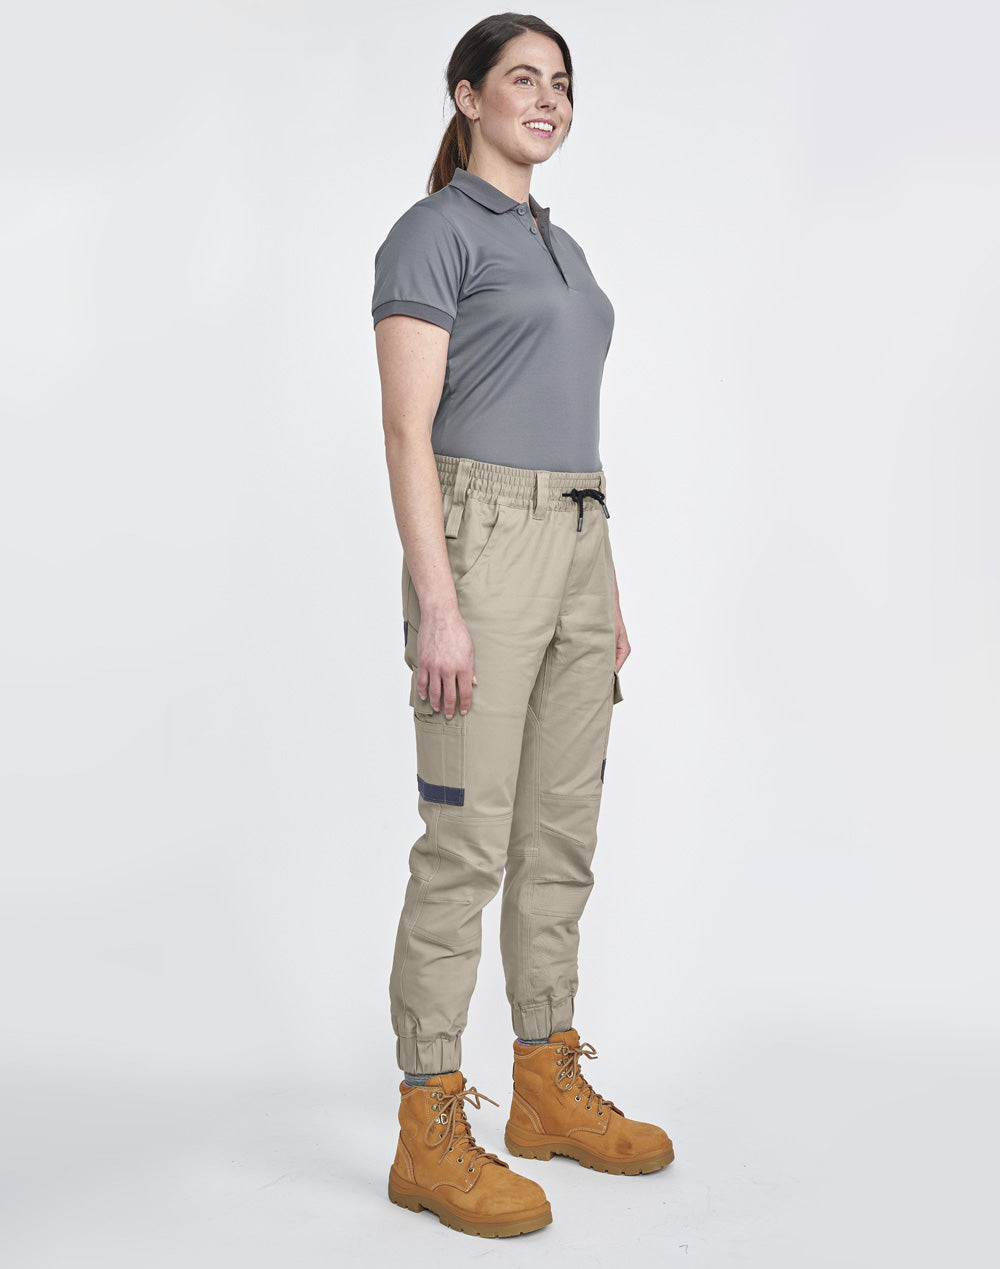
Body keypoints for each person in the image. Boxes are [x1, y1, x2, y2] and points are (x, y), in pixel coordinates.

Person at [371, 13, 674, 1239]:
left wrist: (605, 585)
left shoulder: (562, 243)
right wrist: (438, 603)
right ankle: (427, 1125)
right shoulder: (432, 233)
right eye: (521, 80)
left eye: (561, 83)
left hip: (579, 537)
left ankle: (544, 1084)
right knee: (465, 844)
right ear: (467, 97)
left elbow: (567, 420)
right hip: (481, 544)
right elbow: (407, 432)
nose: (547, 100)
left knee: (559, 835)